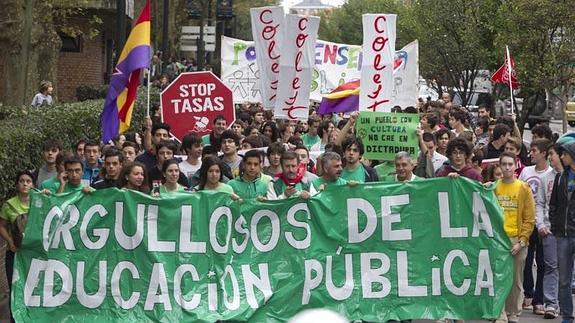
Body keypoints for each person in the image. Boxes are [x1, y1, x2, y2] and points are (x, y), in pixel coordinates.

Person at [493, 152, 535, 323]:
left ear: (516, 165)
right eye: (504, 164)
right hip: (498, 239)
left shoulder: (523, 188)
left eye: (511, 164)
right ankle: (499, 313)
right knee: (499, 278)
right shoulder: (494, 187)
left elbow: (529, 218)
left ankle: (513, 313)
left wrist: (522, 241)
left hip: (516, 239)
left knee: (516, 279)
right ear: (500, 166)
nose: (508, 167)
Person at [519, 138, 552, 315]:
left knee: (543, 263)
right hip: (526, 223)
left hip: (545, 225)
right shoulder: (525, 171)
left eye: (534, 151)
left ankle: (539, 300)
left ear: (544, 153)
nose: (530, 154)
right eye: (530, 151)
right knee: (525, 260)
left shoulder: (552, 173)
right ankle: (528, 293)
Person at [0, 170, 34, 320]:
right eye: (22, 181)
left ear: (33, 185)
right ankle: (15, 318)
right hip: (14, 254)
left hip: (34, 255)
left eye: (28, 181)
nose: (25, 184)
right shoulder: (8, 205)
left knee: (32, 287)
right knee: (15, 288)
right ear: (16, 184)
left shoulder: (39, 202)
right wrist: (10, 242)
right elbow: (1, 226)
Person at [533, 142, 562, 318]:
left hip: (567, 230)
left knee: (565, 268)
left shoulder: (569, 177)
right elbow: (540, 203)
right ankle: (551, 304)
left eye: (552, 154)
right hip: (549, 230)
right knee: (551, 266)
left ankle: (563, 304)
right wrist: (541, 225)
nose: (550, 158)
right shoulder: (546, 178)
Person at [549, 141, 575, 323]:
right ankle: (567, 315)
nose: (561, 157)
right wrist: (555, 225)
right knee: (564, 280)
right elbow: (554, 205)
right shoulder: (560, 178)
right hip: (563, 235)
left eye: (564, 154)